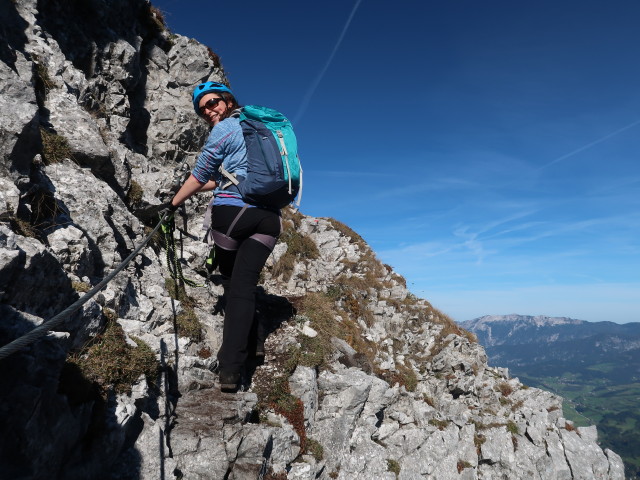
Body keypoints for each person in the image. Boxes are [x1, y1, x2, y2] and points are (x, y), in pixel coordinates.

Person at [164, 81, 281, 392]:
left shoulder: (226, 129)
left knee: (235, 285)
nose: (209, 111)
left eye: (213, 102)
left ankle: (230, 368)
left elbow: (201, 173)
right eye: (203, 109)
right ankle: (255, 342)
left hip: (233, 215)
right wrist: (194, 189)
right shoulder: (259, 129)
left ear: (228, 102)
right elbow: (224, 180)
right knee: (247, 280)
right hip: (269, 219)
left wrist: (173, 203)